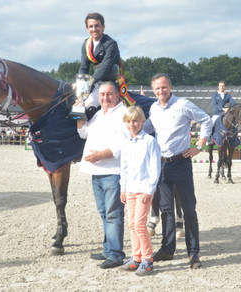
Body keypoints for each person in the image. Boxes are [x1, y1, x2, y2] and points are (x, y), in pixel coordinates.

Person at [144, 73, 213, 269]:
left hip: (181, 162)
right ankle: (167, 249)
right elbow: (146, 128)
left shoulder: (183, 105)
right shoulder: (153, 109)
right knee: (166, 210)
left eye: (164, 87)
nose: (160, 91)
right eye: (157, 88)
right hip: (162, 165)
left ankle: (193, 252)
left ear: (170, 87)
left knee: (189, 209)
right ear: (153, 90)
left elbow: (206, 120)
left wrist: (199, 146)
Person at [77, 81, 127, 269]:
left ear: (117, 95)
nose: (105, 98)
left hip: (112, 171)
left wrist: (100, 155)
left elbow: (122, 144)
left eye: (109, 94)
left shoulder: (123, 114)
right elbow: (83, 132)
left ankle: (115, 254)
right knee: (104, 212)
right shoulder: (99, 114)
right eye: (102, 94)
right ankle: (108, 249)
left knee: (113, 214)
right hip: (96, 172)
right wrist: (78, 112)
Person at [118, 106, 161, 276]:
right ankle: (136, 257)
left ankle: (147, 260)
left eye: (135, 121)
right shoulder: (126, 142)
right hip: (130, 189)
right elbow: (124, 167)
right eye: (128, 121)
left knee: (140, 225)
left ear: (142, 122)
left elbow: (155, 167)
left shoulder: (150, 142)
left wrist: (149, 190)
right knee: (131, 224)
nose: (132, 124)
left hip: (143, 189)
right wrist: (123, 187)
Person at [79, 12, 121, 110]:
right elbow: (83, 68)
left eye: (97, 26)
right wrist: (80, 84)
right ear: (87, 29)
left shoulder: (111, 44)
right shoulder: (86, 44)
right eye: (91, 26)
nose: (94, 29)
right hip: (94, 82)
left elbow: (104, 69)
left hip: (109, 82)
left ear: (103, 27)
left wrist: (87, 83)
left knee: (87, 105)